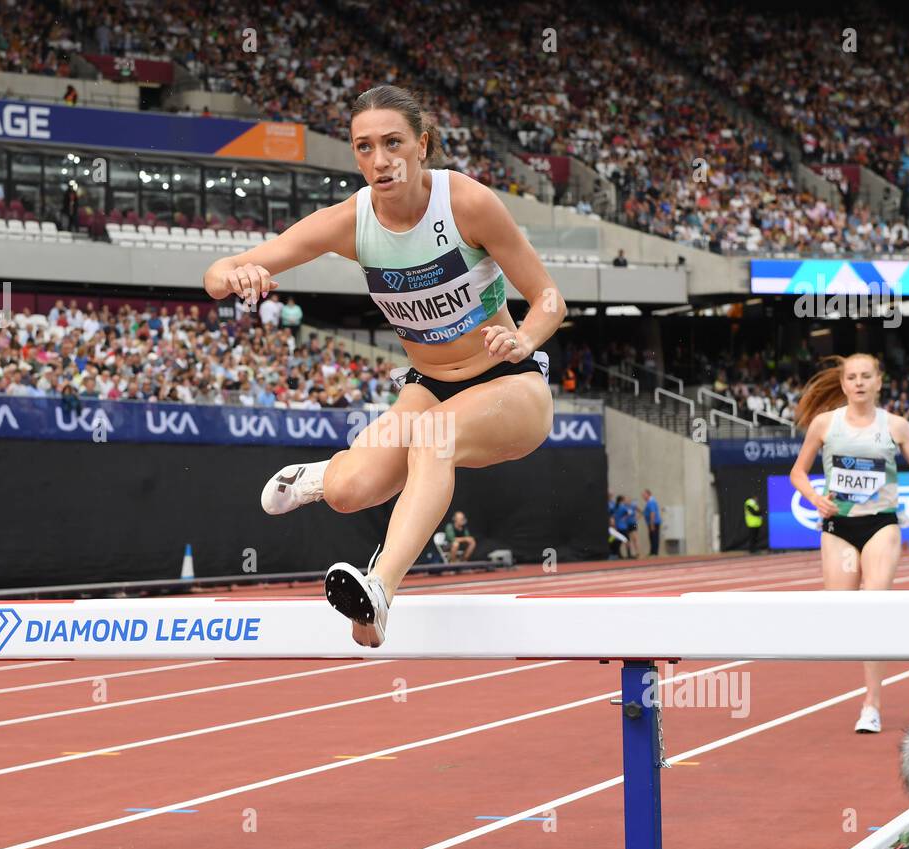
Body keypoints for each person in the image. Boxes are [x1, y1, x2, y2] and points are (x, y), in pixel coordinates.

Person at [205, 85, 563, 648]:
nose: (380, 160)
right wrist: (236, 275)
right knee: (353, 490)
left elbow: (549, 299)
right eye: (364, 147)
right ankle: (321, 476)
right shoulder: (351, 222)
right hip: (426, 387)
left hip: (508, 383)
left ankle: (380, 590)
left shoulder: (467, 203)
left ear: (422, 145)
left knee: (434, 438)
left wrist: (526, 339)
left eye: (393, 143)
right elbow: (221, 270)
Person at [789, 354, 909, 735]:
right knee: (843, 613)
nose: (858, 382)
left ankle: (871, 703)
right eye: (851, 377)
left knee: (873, 604)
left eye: (865, 376)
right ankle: (876, 641)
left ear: (878, 382)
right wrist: (813, 496)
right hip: (838, 525)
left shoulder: (897, 426)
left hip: (881, 524)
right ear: (843, 385)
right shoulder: (825, 424)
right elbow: (798, 472)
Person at [642, 489, 661, 556]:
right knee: (651, 537)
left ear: (648, 494)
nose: (643, 496)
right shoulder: (649, 502)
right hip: (651, 522)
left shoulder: (651, 502)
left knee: (654, 537)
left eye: (644, 495)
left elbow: (652, 513)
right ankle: (652, 551)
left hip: (653, 522)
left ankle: (654, 552)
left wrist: (652, 523)